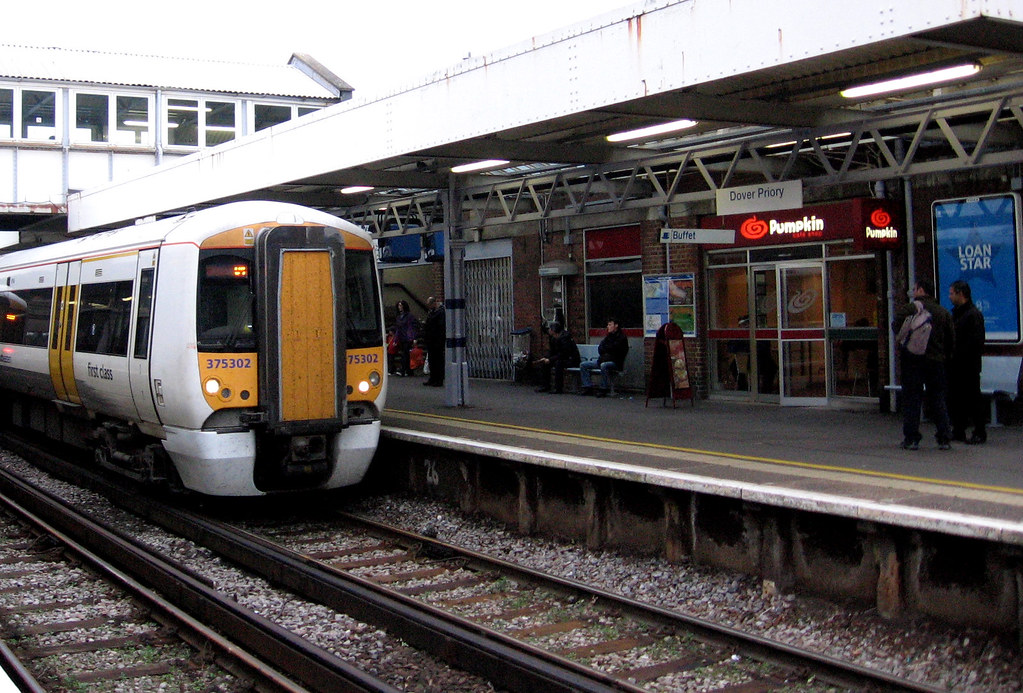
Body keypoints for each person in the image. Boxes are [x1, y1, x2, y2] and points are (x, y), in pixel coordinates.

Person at [891, 279, 955, 450]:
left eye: (915, 289)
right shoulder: (942, 312)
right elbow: (951, 339)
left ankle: (911, 438)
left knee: (912, 399)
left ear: (921, 290)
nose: (913, 292)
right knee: (937, 398)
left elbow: (895, 325)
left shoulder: (911, 308)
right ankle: (944, 437)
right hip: (936, 362)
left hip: (912, 360)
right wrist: (943, 355)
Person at [948, 280, 986, 444]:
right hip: (955, 364)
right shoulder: (956, 313)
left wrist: (961, 354)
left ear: (960, 294)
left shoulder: (972, 315)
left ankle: (979, 431)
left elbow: (976, 341)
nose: (949, 296)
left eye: (951, 293)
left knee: (973, 398)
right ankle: (958, 429)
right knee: (957, 399)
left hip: (968, 365)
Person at [578, 318, 629, 397]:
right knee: (583, 365)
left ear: (616, 325)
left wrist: (607, 349)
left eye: (610, 324)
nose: (607, 326)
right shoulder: (608, 337)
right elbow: (601, 348)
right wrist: (607, 350)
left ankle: (603, 388)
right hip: (602, 360)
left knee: (604, 365)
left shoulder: (621, 338)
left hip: (615, 362)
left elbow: (616, 351)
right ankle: (587, 386)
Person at [534, 322, 580, 394]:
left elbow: (564, 354)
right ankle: (545, 385)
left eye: (550, 329)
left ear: (553, 330)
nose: (548, 330)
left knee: (558, 364)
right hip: (561, 358)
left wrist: (550, 359)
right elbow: (553, 351)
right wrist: (546, 358)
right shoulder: (553, 338)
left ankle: (558, 388)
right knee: (545, 363)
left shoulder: (565, 338)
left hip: (571, 359)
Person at [421, 296, 446, 387]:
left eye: (430, 304)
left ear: (434, 303)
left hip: (437, 340)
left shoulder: (440, 312)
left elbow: (440, 327)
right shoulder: (432, 312)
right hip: (431, 340)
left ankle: (439, 379)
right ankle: (432, 378)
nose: (429, 307)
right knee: (432, 360)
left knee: (438, 360)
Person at [393, 300, 419, 376]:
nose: (399, 307)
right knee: (405, 354)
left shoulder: (409, 316)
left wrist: (414, 337)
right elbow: (398, 329)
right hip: (402, 337)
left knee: (405, 354)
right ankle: (408, 370)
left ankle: (403, 370)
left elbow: (413, 326)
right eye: (399, 306)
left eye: (401, 306)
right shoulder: (398, 317)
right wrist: (395, 339)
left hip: (408, 337)